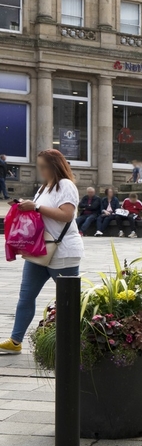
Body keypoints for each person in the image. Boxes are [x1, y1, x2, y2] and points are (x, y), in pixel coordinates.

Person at [1, 148, 83, 354]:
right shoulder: (44, 188)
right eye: (40, 167)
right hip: (40, 248)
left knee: (68, 300)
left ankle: (80, 341)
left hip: (63, 250)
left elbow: (66, 215)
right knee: (26, 296)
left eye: (44, 167)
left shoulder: (66, 185)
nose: (42, 171)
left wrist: (36, 207)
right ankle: (15, 340)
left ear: (55, 166)